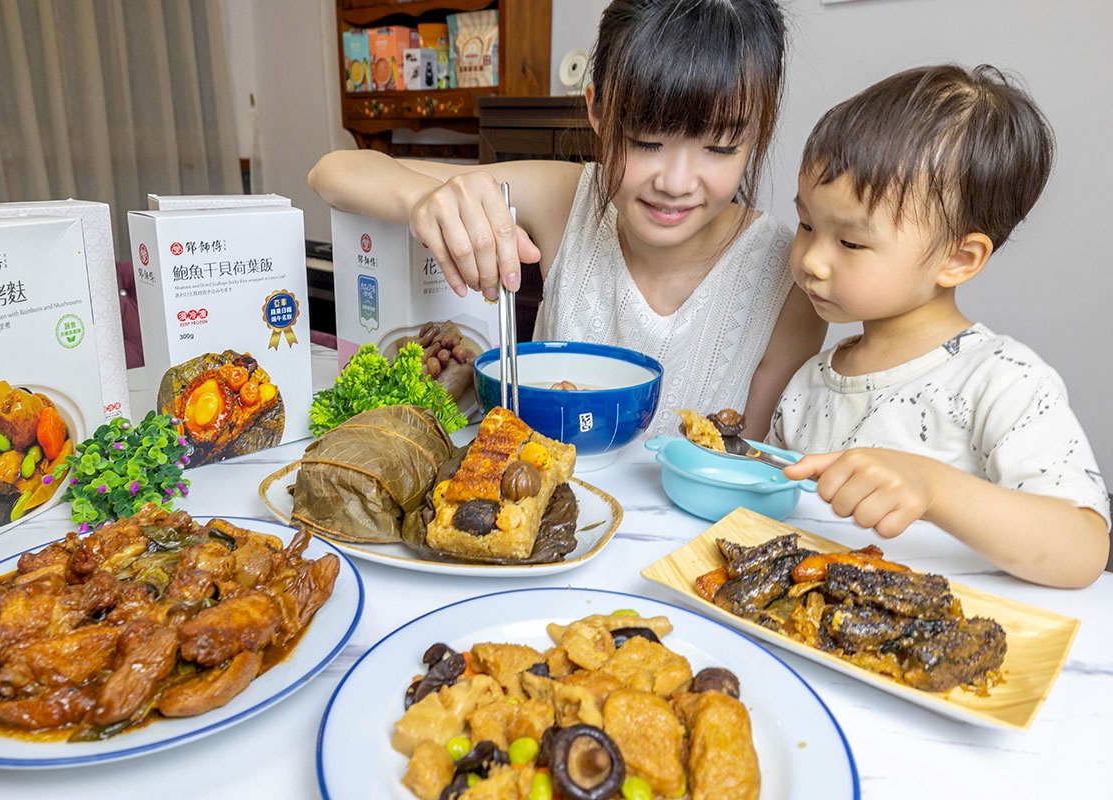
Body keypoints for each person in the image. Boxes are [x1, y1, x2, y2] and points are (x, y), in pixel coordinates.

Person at [308, 0, 826, 438]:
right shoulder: (568, 199)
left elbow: (747, 467)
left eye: (719, 147)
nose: (676, 182)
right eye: (647, 141)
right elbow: (333, 171)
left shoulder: (790, 279)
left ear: (757, 131)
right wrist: (423, 199)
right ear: (598, 110)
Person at [768, 64, 1110, 588]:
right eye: (807, 224)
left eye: (851, 242)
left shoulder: (1004, 382)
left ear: (959, 259)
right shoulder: (810, 383)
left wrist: (935, 489)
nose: (811, 260)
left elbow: (1084, 551)